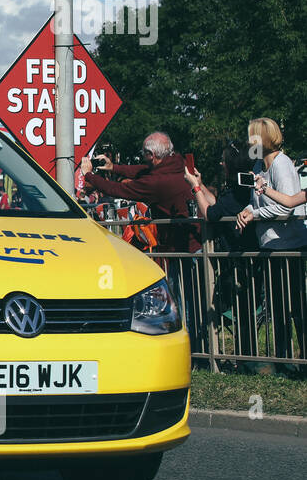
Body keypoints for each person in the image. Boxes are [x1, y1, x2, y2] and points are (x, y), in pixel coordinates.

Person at [81, 132, 202, 350]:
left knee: (185, 304)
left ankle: (193, 350)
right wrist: (113, 167)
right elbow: (142, 170)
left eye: (145, 155)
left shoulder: (158, 182)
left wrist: (89, 176)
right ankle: (197, 347)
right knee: (192, 301)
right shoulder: (177, 163)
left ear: (152, 155)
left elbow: (119, 189)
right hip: (191, 243)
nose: (144, 160)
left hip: (181, 247)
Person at [234, 118, 307, 366]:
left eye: (251, 137)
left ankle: (300, 361)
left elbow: (286, 206)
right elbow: (257, 203)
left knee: (296, 307)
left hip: (289, 245)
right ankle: (284, 360)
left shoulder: (281, 165)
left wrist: (254, 215)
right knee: (277, 308)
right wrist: (247, 211)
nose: (248, 141)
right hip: (270, 245)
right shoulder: (257, 165)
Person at [186, 142, 260, 363]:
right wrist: (201, 184)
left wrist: (195, 188)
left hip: (240, 260)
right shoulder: (239, 190)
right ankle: (245, 358)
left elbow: (210, 213)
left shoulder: (238, 193)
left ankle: (246, 359)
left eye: (224, 160)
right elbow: (219, 206)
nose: (220, 163)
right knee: (243, 313)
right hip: (239, 258)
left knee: (243, 312)